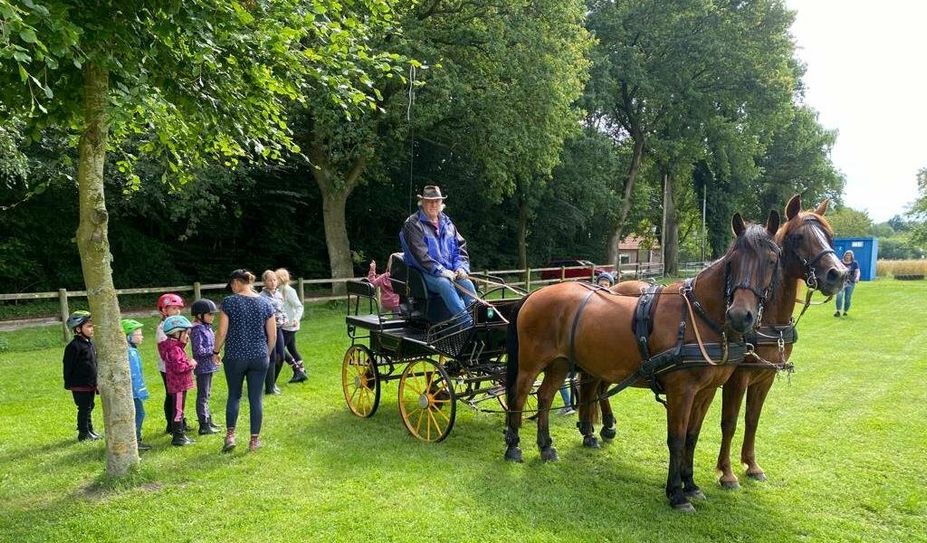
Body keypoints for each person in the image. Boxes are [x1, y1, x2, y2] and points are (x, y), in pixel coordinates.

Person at [213, 269, 276, 453]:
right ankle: (254, 441)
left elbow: (222, 332)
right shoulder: (266, 303)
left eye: (232, 284)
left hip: (235, 356)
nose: (231, 288)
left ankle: (230, 436)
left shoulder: (229, 303)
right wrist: (267, 353)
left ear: (237, 282)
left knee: (234, 395)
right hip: (259, 356)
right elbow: (272, 336)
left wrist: (215, 351)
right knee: (256, 398)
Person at [399, 185, 476, 325]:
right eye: (429, 201)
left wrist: (461, 268)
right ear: (422, 203)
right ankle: (468, 324)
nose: (433, 204)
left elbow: (460, 249)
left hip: (450, 272)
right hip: (424, 273)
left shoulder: (447, 223)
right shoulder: (412, 224)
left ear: (441, 203)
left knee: (467, 283)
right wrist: (441, 271)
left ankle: (478, 319)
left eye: (436, 201)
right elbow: (420, 256)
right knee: (444, 284)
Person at [158, 315, 197, 446]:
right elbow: (179, 367)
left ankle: (179, 434)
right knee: (178, 410)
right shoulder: (174, 349)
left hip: (178, 384)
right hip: (178, 385)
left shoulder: (174, 346)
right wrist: (191, 363)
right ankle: (178, 436)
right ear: (176, 332)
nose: (187, 335)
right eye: (185, 332)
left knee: (179, 409)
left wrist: (184, 342)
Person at [63, 311, 99, 442]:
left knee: (90, 405)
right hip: (80, 384)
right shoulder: (74, 346)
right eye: (89, 326)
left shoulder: (89, 343)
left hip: (90, 383)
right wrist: (69, 383)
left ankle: (90, 429)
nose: (92, 329)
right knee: (84, 408)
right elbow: (68, 366)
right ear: (78, 329)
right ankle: (83, 433)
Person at [190, 299, 221, 435]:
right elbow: (198, 351)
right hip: (202, 367)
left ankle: (208, 420)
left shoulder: (206, 328)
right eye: (209, 314)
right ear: (199, 315)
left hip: (209, 366)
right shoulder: (197, 330)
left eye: (213, 314)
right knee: (203, 396)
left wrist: (216, 353)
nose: (212, 317)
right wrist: (214, 350)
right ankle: (203, 425)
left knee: (207, 394)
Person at [156, 293, 185, 434]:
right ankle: (172, 424)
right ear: (163, 310)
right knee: (172, 395)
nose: (177, 311)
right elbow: (168, 349)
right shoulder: (163, 328)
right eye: (173, 308)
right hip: (167, 367)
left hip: (175, 365)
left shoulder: (177, 326)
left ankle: (180, 421)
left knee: (177, 396)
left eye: (178, 308)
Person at [121, 319, 151, 451]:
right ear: (128, 336)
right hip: (133, 391)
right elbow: (135, 375)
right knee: (139, 413)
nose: (142, 336)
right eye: (138, 334)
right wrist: (141, 390)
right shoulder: (131, 352)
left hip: (129, 390)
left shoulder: (128, 350)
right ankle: (135, 440)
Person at [275, 268, 308, 383]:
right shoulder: (278, 290)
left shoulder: (289, 290)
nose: (274, 280)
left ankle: (297, 370)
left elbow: (299, 306)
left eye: (276, 278)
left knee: (279, 349)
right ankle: (302, 371)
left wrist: (295, 319)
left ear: (282, 278)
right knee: (292, 348)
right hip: (283, 325)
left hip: (289, 326)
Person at [260, 269, 288, 395]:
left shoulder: (279, 294)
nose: (272, 282)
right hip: (267, 330)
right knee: (271, 357)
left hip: (279, 328)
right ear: (264, 282)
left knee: (281, 357)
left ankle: (272, 382)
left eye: (274, 280)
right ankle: (269, 388)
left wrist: (286, 319)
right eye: (270, 280)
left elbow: (282, 309)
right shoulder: (261, 297)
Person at [835, 250, 861, 317]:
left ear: (852, 256)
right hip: (841, 282)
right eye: (847, 255)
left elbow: (858, 271)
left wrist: (857, 277)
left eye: (849, 255)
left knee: (847, 298)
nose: (848, 256)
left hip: (850, 282)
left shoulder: (854, 263)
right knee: (839, 296)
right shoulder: (840, 262)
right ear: (844, 255)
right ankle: (838, 311)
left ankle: (845, 311)